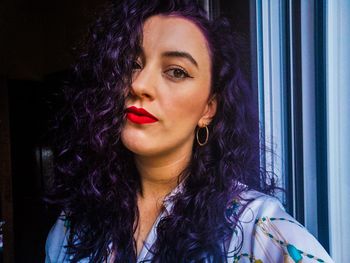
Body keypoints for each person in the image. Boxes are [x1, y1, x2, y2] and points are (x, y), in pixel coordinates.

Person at [45, 0, 334, 262]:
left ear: (208, 109)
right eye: (132, 64)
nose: (139, 84)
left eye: (176, 71)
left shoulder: (257, 228)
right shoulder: (73, 225)